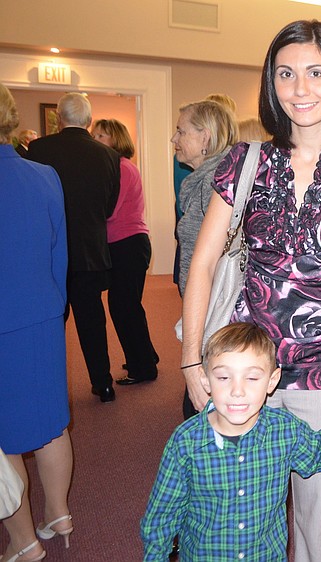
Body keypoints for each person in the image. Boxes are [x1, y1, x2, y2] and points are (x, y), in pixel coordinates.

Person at [181, 20, 321, 561]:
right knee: (234, 513)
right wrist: (191, 362)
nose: (300, 88)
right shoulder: (245, 162)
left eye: (315, 73)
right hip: (244, 369)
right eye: (285, 74)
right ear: (271, 83)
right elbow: (203, 264)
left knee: (317, 525)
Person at [141, 322, 321, 561]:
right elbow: (162, 517)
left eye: (252, 378)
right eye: (224, 378)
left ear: (272, 381)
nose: (237, 391)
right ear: (205, 380)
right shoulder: (186, 442)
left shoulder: (284, 430)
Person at [0, 84, 74, 562]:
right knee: (51, 424)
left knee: (4, 437)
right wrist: (54, 307)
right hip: (42, 314)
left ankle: (23, 541)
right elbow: (58, 254)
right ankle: (59, 513)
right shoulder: (45, 175)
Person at [27, 92, 121, 403]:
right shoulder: (108, 156)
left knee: (51, 322)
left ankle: (47, 387)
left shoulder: (38, 149)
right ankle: (103, 383)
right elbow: (109, 207)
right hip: (90, 250)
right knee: (92, 320)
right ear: (89, 120)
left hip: (49, 251)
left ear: (59, 118)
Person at [91, 118, 159, 385]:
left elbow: (110, 211)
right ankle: (145, 357)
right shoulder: (116, 167)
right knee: (127, 306)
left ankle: (143, 369)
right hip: (124, 244)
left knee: (124, 308)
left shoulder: (122, 168)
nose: (95, 140)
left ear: (116, 139)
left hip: (128, 245)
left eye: (101, 136)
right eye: (94, 135)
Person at [172, 99, 238, 297]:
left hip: (214, 301)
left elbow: (217, 259)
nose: (174, 139)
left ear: (205, 138)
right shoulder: (211, 177)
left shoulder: (215, 183)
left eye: (181, 132)